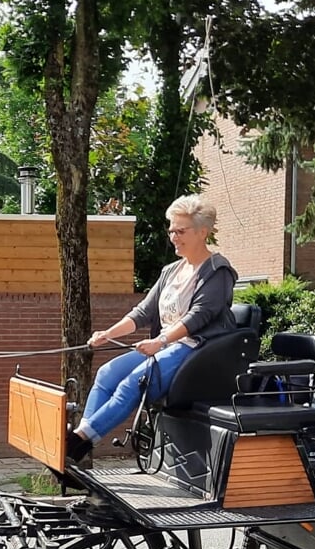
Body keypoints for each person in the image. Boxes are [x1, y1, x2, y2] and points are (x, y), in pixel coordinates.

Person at [71, 195, 237, 460]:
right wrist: (107, 334)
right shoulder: (170, 271)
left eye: (180, 231)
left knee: (132, 384)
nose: (173, 236)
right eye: (171, 230)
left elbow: (198, 317)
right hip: (166, 345)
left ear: (202, 231)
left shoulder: (219, 271)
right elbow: (143, 312)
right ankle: (81, 441)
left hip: (196, 349)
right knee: (106, 373)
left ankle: (76, 443)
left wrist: (160, 342)